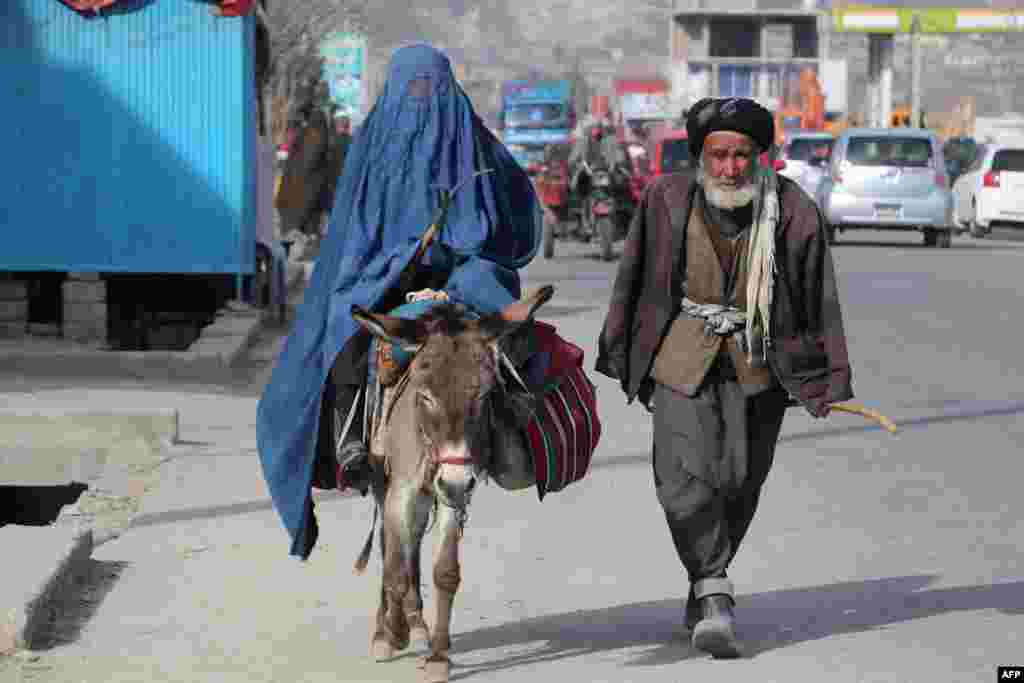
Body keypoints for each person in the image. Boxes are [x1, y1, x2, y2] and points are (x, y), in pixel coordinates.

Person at [257, 43, 543, 560]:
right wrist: (396, 266)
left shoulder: (469, 139)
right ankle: (348, 439)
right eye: (411, 87)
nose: (421, 99)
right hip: (381, 276)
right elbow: (356, 228)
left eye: (430, 87)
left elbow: (500, 212)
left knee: (509, 341)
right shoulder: (375, 140)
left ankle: (514, 434)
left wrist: (456, 268)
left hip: (462, 275)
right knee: (346, 336)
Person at [595, 97, 853, 658]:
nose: (731, 168)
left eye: (742, 156)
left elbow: (818, 297)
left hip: (760, 361)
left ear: (762, 156)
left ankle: (703, 581)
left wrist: (825, 375)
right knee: (682, 482)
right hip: (680, 357)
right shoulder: (665, 200)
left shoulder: (793, 209)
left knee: (740, 481)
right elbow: (633, 278)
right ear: (699, 156)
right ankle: (716, 592)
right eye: (719, 155)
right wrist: (622, 350)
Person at [275, 92, 332, 257]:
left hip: (302, 190)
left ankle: (298, 248)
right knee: (300, 223)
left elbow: (309, 161)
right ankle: (298, 247)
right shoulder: (313, 132)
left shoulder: (311, 132)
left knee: (299, 223)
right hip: (303, 190)